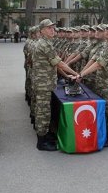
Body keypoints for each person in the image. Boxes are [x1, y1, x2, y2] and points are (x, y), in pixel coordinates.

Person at [31, 19, 79, 151]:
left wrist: (66, 75)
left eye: (53, 28)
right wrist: (76, 73)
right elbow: (59, 63)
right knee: (43, 112)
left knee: (45, 110)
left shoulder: (47, 43)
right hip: (43, 84)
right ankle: (42, 141)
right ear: (41, 31)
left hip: (45, 82)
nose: (53, 30)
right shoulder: (44, 44)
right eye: (49, 28)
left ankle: (46, 135)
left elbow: (55, 64)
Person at [77, 22, 108, 147]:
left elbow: (99, 64)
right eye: (106, 29)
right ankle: (106, 131)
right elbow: (95, 60)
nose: (106, 31)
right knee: (104, 108)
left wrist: (81, 74)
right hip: (102, 81)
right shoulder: (107, 45)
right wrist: (82, 73)